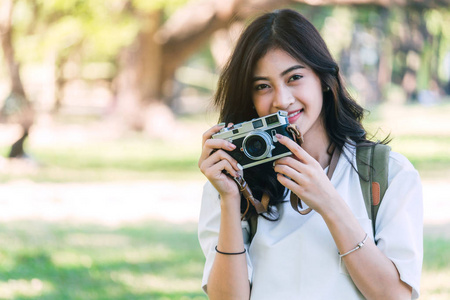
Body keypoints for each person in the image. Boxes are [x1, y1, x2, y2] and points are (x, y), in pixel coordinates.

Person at [197, 8, 422, 300]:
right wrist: (229, 199)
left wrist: (328, 201)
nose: (282, 99)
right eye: (263, 86)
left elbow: (397, 297)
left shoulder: (387, 173)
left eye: (294, 78)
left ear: (324, 79)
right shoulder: (231, 182)